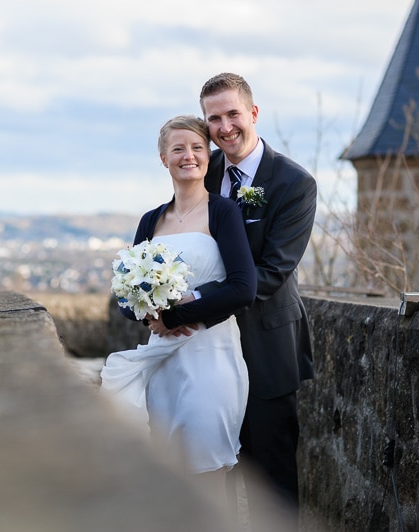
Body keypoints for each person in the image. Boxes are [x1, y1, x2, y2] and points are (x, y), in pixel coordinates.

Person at [100, 115, 257, 507]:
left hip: (212, 357)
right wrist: (147, 312)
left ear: (209, 155)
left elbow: (244, 287)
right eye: (178, 149)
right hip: (163, 363)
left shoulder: (223, 212)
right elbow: (123, 294)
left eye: (198, 148)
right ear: (163, 158)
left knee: (208, 470)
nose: (189, 156)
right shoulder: (150, 220)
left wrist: (176, 316)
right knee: (168, 474)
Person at [196, 72, 317, 530]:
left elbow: (271, 273)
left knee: (272, 478)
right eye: (214, 119)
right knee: (215, 469)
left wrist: (193, 305)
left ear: (253, 113)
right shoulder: (201, 169)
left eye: (232, 114)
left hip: (267, 346)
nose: (225, 127)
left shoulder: (294, 184)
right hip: (207, 350)